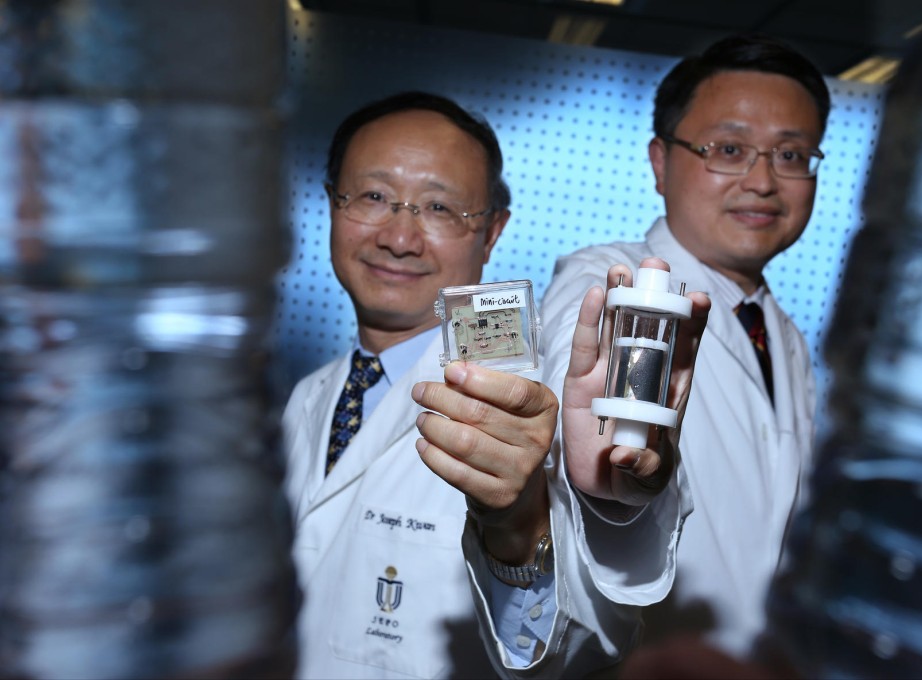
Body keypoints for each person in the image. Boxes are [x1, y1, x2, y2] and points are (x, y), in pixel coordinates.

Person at [280, 91, 710, 679]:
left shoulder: (531, 406)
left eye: (440, 209)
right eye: (374, 196)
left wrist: (516, 525)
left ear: (491, 232)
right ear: (332, 204)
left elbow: (588, 644)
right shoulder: (310, 397)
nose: (400, 238)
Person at [540, 33, 830, 661]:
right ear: (660, 162)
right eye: (729, 149)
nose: (762, 181)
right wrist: (608, 481)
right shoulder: (606, 285)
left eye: (792, 155)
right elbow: (580, 383)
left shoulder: (780, 333)